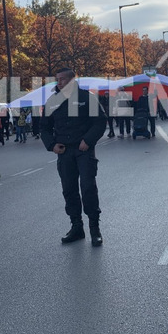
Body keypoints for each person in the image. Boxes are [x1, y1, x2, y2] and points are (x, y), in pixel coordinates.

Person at [41, 67, 108, 246]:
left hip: (83, 149)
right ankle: (76, 227)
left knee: (88, 188)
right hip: (64, 152)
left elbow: (100, 121)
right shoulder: (53, 101)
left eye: (62, 79)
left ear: (72, 80)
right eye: (57, 79)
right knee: (69, 190)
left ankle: (95, 228)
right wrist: (52, 145)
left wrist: (88, 140)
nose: (59, 82)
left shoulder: (86, 98)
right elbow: (44, 127)